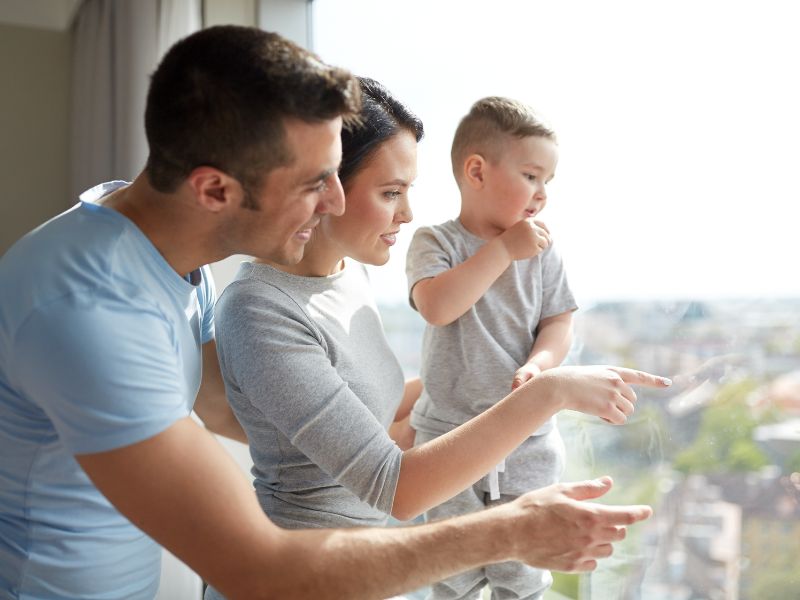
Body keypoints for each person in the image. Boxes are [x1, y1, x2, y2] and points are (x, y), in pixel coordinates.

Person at [0, 25, 662, 600]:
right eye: (317, 184)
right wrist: (514, 529)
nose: (336, 204)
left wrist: (461, 395)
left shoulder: (161, 253)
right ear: (215, 189)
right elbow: (260, 569)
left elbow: (226, 407)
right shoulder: (88, 311)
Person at [207, 79, 671, 600]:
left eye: (407, 192)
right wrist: (552, 392)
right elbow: (397, 489)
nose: (406, 214)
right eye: (390, 193)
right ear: (323, 188)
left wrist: (478, 385)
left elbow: (362, 412)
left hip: (372, 569)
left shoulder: (344, 275)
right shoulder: (259, 310)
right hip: (304, 579)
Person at [403, 97, 585, 599]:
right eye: (531, 176)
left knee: (522, 573)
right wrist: (503, 249)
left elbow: (559, 323)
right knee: (451, 571)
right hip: (448, 442)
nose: (542, 194)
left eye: (548, 181)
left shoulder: (545, 253)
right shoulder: (435, 243)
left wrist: (539, 364)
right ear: (477, 171)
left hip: (525, 441)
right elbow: (439, 306)